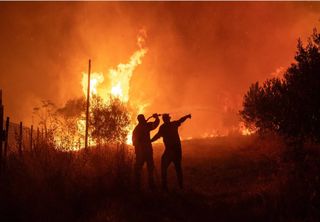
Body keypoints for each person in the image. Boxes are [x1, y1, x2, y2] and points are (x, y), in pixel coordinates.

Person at [151, 113, 191, 191]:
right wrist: (186, 116)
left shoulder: (163, 127)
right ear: (169, 118)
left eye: (164, 118)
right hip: (177, 150)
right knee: (178, 168)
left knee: (164, 167)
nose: (165, 119)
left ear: (165, 119)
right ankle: (180, 186)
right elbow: (181, 120)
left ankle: (165, 187)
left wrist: (150, 140)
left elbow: (158, 135)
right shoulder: (173, 124)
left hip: (169, 150)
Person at [132, 113, 160, 190]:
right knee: (150, 168)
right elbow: (155, 125)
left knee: (138, 169)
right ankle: (151, 185)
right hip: (147, 152)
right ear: (142, 119)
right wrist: (156, 118)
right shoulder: (146, 126)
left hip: (140, 153)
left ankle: (137, 185)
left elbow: (134, 142)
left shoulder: (136, 129)